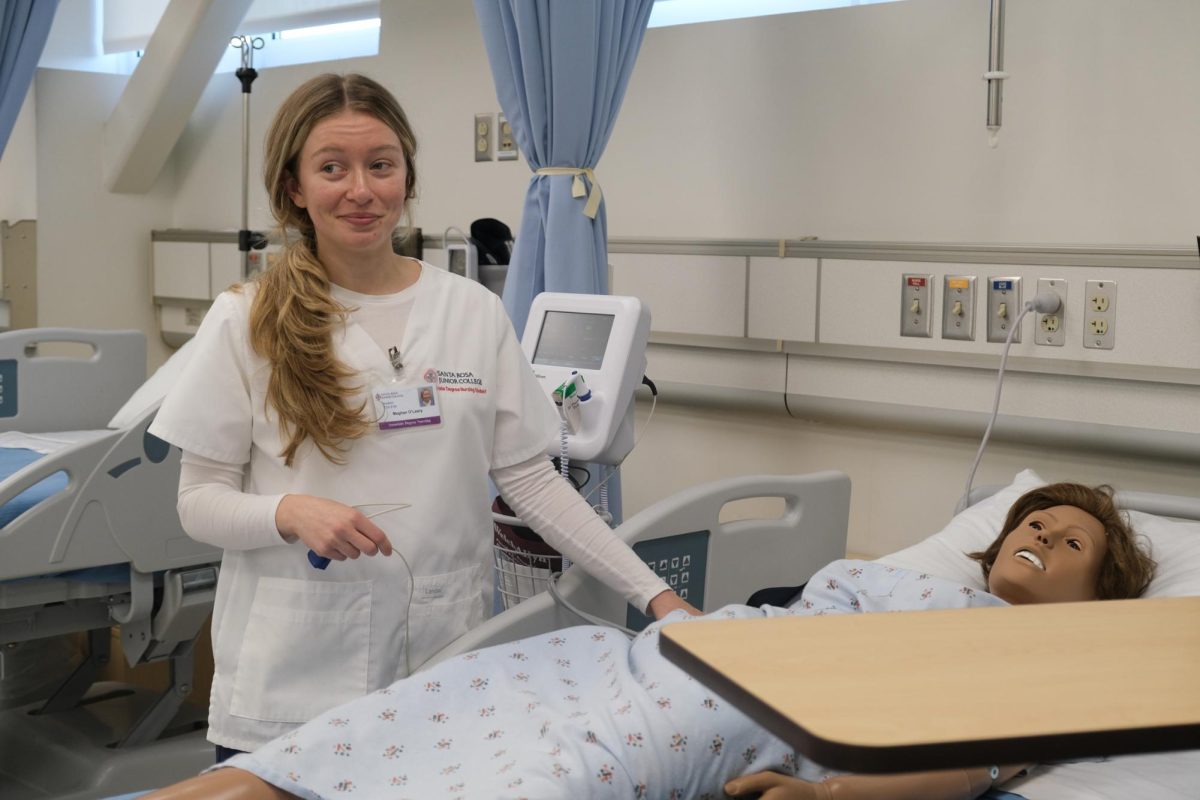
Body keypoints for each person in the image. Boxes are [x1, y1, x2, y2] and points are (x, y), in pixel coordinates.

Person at [148, 72, 695, 761]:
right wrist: (289, 512)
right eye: (332, 168)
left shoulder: (472, 311)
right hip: (292, 683)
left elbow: (531, 483)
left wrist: (658, 599)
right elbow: (198, 503)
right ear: (294, 187)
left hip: (444, 670)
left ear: (407, 177)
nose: (361, 189)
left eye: (381, 165)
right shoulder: (247, 319)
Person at [140, 482, 1155, 800]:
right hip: (649, 658)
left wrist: (832, 793)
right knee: (346, 741)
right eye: (1031, 521)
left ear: (1098, 598)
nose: (1040, 534)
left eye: (1072, 541)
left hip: (720, 713)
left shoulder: (1050, 664)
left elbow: (979, 763)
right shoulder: (898, 577)